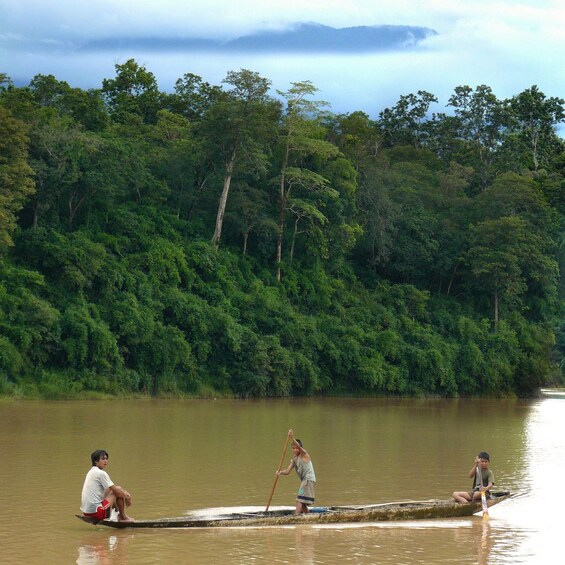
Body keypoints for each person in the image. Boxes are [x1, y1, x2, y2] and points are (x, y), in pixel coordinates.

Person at [80, 449, 134, 522]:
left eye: (106, 459)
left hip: (86, 512)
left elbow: (112, 488)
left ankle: (117, 513)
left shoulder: (91, 472)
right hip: (96, 513)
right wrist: (127, 497)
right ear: (96, 461)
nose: (105, 461)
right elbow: (117, 492)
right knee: (117, 491)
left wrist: (124, 493)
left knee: (115, 489)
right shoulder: (101, 473)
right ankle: (122, 517)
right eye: (103, 459)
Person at [276, 429, 317, 514]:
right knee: (302, 502)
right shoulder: (295, 460)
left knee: (299, 500)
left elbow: (300, 447)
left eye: (296, 448)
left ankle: (296, 518)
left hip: (308, 480)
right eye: (293, 448)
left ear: (299, 449)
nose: (294, 450)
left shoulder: (304, 455)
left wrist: (292, 438)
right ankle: (308, 516)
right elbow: (287, 471)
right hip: (304, 481)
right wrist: (280, 472)